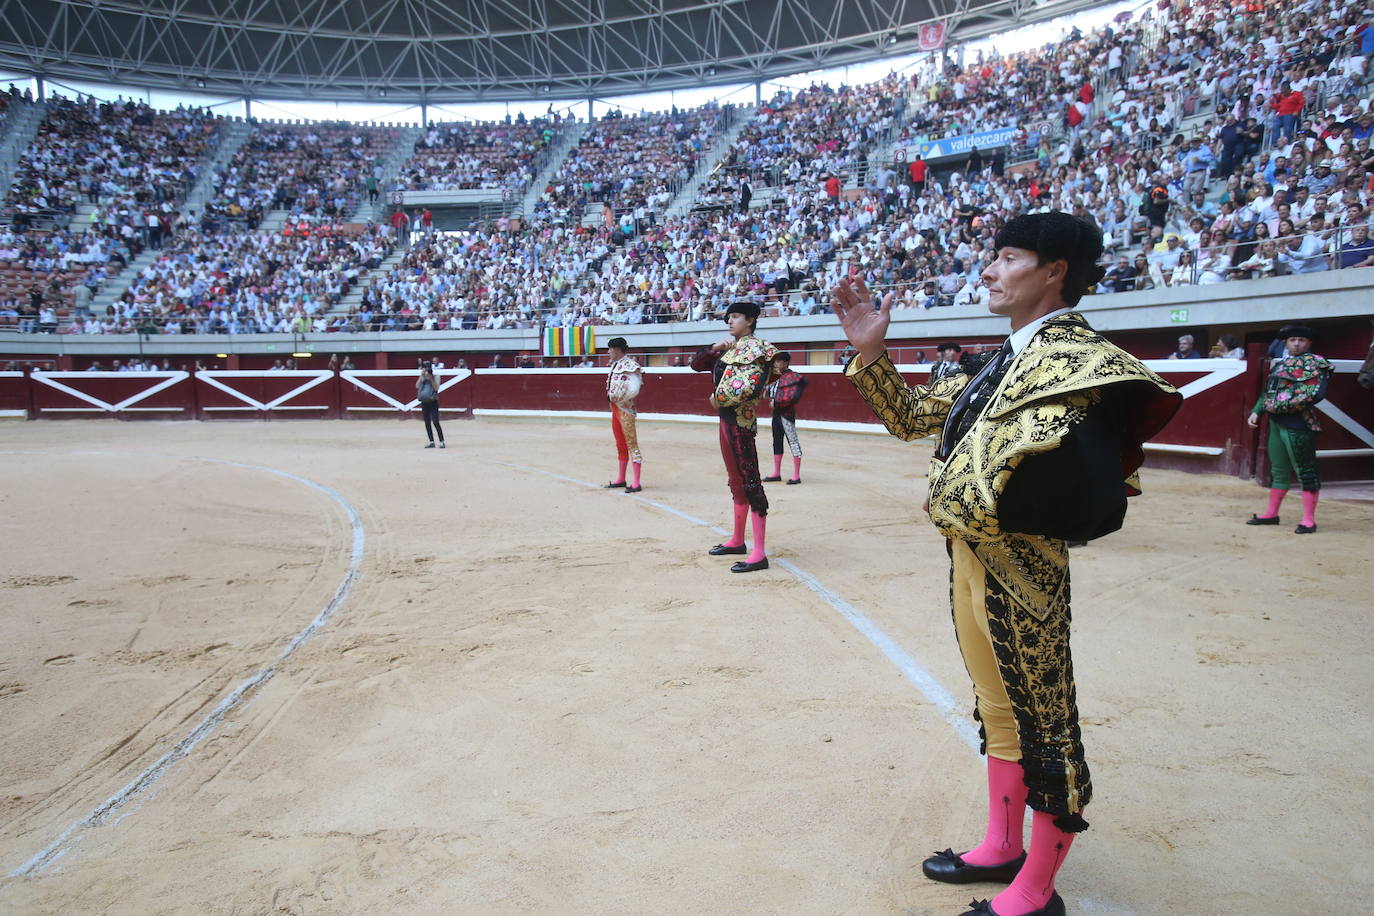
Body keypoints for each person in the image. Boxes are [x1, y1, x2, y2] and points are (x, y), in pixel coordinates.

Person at [830, 212, 1181, 916]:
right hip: (970, 557)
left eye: (1009, 256)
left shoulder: (1079, 359)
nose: (989, 270)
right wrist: (871, 355)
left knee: (1045, 718)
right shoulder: (1002, 357)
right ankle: (1001, 845)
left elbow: (1063, 477)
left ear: (1055, 271)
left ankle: (1037, 890)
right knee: (999, 709)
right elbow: (909, 418)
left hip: (1025, 564)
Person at [691, 301, 777, 573]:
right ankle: (738, 540)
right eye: (728, 317)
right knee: (736, 481)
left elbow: (751, 385)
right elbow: (696, 365)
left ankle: (759, 552)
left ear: (750, 320)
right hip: (726, 423)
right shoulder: (730, 349)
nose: (730, 321)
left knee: (750, 480)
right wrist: (715, 349)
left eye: (736, 317)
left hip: (740, 422)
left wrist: (717, 398)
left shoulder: (758, 349)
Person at [1245, 326, 1333, 534]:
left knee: (1306, 472)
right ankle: (1271, 514)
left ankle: (1309, 520)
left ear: (1309, 343)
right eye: (1292, 339)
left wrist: (1278, 406)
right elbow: (1268, 393)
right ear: (1286, 342)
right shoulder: (1281, 365)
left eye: (1301, 340)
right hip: (1276, 422)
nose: (1296, 343)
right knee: (1278, 470)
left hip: (1299, 423)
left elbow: (1315, 395)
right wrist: (1257, 411)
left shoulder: (1317, 363)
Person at [604, 337, 645, 493]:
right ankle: (621, 478)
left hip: (625, 409)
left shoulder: (631, 366)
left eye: (610, 349)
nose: (608, 352)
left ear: (617, 349)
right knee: (620, 444)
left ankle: (636, 482)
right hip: (615, 409)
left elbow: (634, 389)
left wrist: (617, 397)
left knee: (631, 444)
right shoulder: (616, 365)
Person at [764, 351, 808, 485]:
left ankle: (796, 475)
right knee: (776, 441)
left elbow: (793, 397)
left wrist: (776, 402)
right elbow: (767, 393)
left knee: (793, 442)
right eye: (775, 361)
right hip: (776, 414)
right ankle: (776, 473)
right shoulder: (774, 377)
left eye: (778, 361)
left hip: (786, 414)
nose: (776, 364)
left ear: (786, 363)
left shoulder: (794, 377)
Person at [416, 360, 445, 449]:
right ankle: (431, 441)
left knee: (436, 422)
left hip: (433, 402)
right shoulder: (422, 377)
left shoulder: (436, 376)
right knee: (427, 422)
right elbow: (417, 386)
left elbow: (436, 388)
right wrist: (421, 376)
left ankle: (442, 441)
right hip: (424, 402)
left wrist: (431, 378)